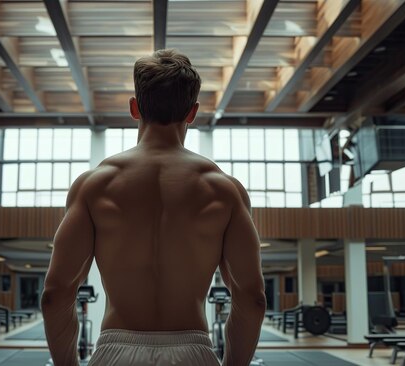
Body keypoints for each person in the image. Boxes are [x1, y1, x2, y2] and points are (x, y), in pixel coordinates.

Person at [41, 49, 266, 366]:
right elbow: (252, 297)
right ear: (192, 112)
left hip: (115, 351)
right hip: (193, 352)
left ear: (135, 108)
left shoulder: (95, 186)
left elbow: (55, 294)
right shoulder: (223, 190)